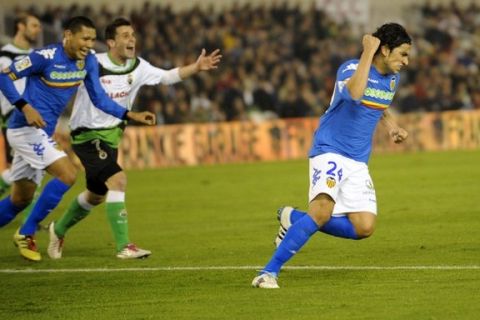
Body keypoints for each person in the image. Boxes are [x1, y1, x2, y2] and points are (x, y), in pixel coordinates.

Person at [46, 18, 221, 260]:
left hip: (111, 138)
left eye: (133, 35)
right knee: (118, 181)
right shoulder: (93, 62)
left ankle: (59, 229)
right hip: (86, 135)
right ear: (111, 42)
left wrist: (196, 66)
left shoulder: (138, 66)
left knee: (95, 195)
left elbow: (168, 76)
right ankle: (124, 246)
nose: (132, 40)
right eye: (126, 35)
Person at [252, 23, 411, 288]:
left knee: (364, 227)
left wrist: (391, 126)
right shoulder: (351, 68)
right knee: (322, 212)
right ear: (384, 49)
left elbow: (378, 106)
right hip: (331, 150)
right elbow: (356, 93)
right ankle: (268, 272)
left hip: (359, 160)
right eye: (402, 54)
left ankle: (293, 218)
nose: (406, 61)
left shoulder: (392, 79)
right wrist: (366, 53)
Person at [0, 16, 156, 262]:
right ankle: (27, 232)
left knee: (21, 199)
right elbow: (4, 76)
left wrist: (130, 113)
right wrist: (24, 106)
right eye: (84, 38)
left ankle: (25, 228)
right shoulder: (45, 56)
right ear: (68, 36)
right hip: (23, 128)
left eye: (92, 39)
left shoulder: (88, 61)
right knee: (68, 174)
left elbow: (99, 99)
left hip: (42, 132)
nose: (89, 43)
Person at [0, 13, 42, 197]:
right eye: (34, 25)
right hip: (13, 116)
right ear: (20, 26)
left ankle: (28, 222)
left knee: (23, 170)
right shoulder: (5, 55)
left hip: (33, 115)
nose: (38, 30)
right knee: (30, 168)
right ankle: (29, 223)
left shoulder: (35, 56)